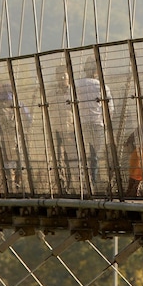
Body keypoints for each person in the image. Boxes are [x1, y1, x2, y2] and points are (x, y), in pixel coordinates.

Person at [73, 57, 113, 192]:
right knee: (95, 154)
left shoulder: (76, 85)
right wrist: (105, 121)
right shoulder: (102, 86)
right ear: (97, 71)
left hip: (82, 124)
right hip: (97, 123)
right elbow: (110, 108)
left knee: (83, 153)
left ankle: (83, 181)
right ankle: (94, 182)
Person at [48, 65, 78, 194]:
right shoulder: (51, 95)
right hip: (57, 131)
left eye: (63, 75)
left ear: (68, 76)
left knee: (72, 160)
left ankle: (77, 188)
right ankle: (63, 188)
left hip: (71, 131)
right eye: (58, 75)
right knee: (59, 161)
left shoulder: (74, 93)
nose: (61, 78)